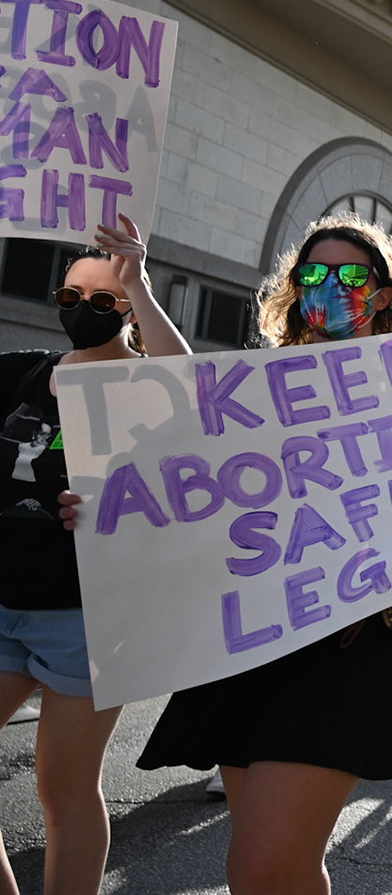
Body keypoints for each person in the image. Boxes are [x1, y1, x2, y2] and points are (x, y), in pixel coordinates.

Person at [132, 214, 392, 895]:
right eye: (311, 274)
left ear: (386, 294)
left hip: (351, 643)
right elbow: (183, 392)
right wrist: (135, 281)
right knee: (278, 871)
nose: (328, 288)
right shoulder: (263, 382)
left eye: (349, 276)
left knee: (260, 864)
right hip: (254, 644)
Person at [14, 224, 188, 895]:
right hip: (4, 599)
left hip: (88, 614)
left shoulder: (142, 384)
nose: (79, 306)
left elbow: (188, 384)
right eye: (69, 292)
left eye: (101, 296)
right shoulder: (23, 370)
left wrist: (139, 281)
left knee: (62, 788)